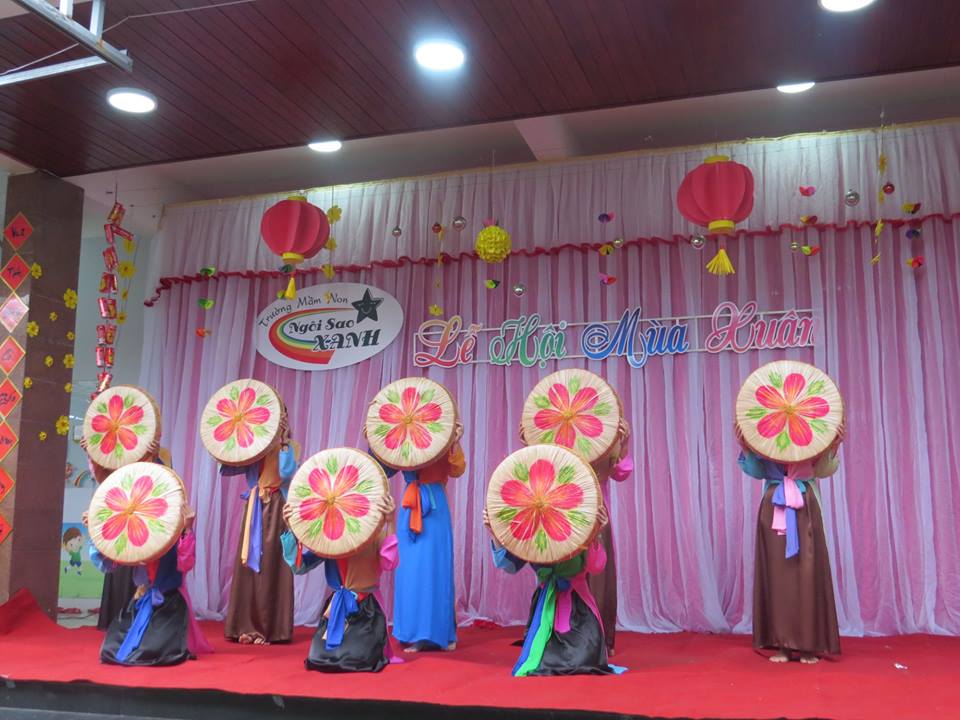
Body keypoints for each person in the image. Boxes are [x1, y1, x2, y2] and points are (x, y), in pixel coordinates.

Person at [736, 421, 844, 664]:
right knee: (778, 574)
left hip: (805, 504)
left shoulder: (813, 427)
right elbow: (756, 471)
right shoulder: (765, 427)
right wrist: (745, 446)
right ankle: (782, 644)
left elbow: (823, 470)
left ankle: (808, 644)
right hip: (774, 504)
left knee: (808, 572)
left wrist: (833, 445)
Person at [484, 506, 622, 676]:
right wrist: (494, 531)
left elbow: (596, 566)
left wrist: (595, 532)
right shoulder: (530, 527)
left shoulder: (578, 519)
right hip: (545, 607)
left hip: (579, 609)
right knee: (544, 661)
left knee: (584, 658)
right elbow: (509, 565)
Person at [369, 421, 464, 653]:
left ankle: (442, 634)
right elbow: (385, 469)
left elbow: (457, 470)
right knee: (409, 571)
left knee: (435, 569)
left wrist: (454, 441)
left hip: (434, 505)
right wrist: (375, 442)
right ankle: (412, 632)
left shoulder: (442, 435)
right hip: (410, 505)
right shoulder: (403, 435)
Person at [279, 495, 400, 672]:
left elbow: (389, 563)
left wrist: (390, 522)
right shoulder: (329, 539)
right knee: (318, 659)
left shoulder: (373, 531)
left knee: (356, 660)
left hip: (367, 610)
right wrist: (292, 528)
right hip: (337, 610)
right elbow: (300, 567)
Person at [86, 505, 212, 666]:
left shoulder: (173, 535)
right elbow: (109, 563)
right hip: (140, 601)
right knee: (110, 650)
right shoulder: (135, 537)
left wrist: (187, 528)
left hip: (169, 603)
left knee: (151, 652)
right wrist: (94, 530)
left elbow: (186, 563)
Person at [220, 410, 298, 645]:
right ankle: (245, 626)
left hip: (276, 507)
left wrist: (283, 443)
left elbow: (286, 473)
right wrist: (234, 440)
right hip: (255, 506)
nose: (280, 420)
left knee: (272, 564)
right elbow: (229, 467)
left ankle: (269, 630)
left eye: (283, 417)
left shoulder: (291, 447)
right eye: (277, 416)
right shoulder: (255, 446)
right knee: (249, 565)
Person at [81, 437, 171, 630]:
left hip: (146, 522)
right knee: (121, 570)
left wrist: (154, 456)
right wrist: (93, 452)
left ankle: (145, 625)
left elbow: (164, 485)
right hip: (120, 521)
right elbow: (106, 483)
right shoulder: (117, 454)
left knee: (146, 574)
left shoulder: (161, 453)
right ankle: (119, 624)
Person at [586, 420, 632, 656]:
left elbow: (621, 473)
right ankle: (562, 638)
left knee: (599, 579)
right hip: (563, 513)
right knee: (562, 576)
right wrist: (530, 444)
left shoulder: (604, 434)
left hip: (597, 514)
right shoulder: (558, 434)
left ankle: (601, 639)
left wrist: (622, 444)